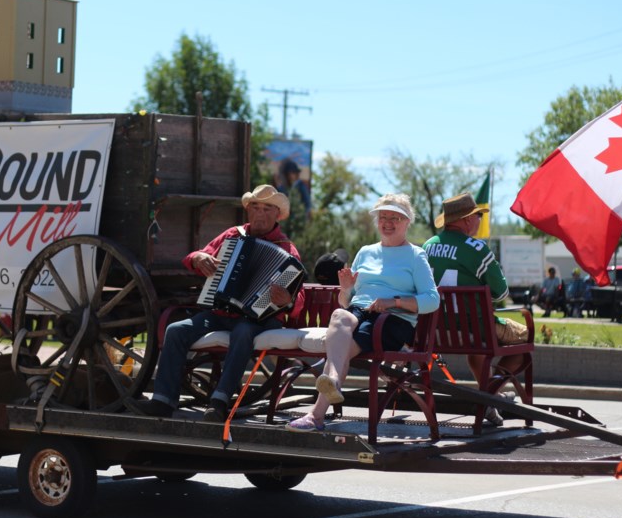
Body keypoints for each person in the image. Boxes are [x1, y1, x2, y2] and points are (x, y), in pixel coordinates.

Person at [136, 184, 304, 422]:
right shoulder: (233, 235)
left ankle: (220, 401)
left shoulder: (286, 250)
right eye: (255, 207)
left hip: (262, 320)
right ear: (248, 210)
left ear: (277, 215)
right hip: (221, 313)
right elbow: (193, 257)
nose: (260, 213)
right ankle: (163, 400)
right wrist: (199, 257)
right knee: (176, 330)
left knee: (244, 330)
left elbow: (297, 300)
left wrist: (287, 300)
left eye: (267, 209)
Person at [287, 193, 439, 432]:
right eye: (383, 217)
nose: (388, 222)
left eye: (395, 218)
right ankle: (333, 383)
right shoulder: (366, 252)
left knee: (341, 350)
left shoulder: (416, 255)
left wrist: (393, 302)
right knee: (339, 315)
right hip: (360, 311)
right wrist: (346, 290)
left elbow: (432, 300)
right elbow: (346, 303)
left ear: (407, 221)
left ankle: (317, 414)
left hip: (392, 319)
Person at [423, 192, 530, 426]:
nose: (480, 219)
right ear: (468, 220)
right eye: (478, 215)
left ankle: (490, 396)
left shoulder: (427, 247)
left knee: (479, 351)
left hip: (437, 330)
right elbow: (501, 293)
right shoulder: (477, 248)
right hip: (477, 329)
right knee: (525, 338)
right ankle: (489, 395)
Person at [276, 159, 312, 235]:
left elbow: (307, 204)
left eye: (293, 173)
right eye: (290, 173)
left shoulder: (300, 186)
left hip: (297, 223)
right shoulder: (281, 188)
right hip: (283, 224)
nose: (291, 175)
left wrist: (302, 218)